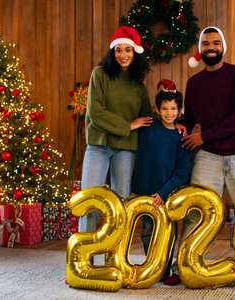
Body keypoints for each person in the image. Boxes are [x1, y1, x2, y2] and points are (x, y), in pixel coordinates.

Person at [164, 26, 235, 286]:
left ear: (223, 46)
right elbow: (189, 119)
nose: (211, 47)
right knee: (196, 212)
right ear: (200, 50)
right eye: (206, 44)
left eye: (216, 43)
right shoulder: (194, 83)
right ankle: (182, 267)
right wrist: (179, 126)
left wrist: (203, 136)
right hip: (208, 157)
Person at [79, 26, 153, 234]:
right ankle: (85, 258)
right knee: (90, 201)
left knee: (120, 205)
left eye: (128, 50)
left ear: (134, 53)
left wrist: (174, 121)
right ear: (112, 52)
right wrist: (128, 125)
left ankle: (115, 258)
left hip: (126, 149)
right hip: (98, 146)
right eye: (118, 50)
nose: (123, 55)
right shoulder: (99, 74)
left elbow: (148, 117)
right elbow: (95, 112)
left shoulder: (138, 85)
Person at [131, 79, 190, 280]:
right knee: (147, 230)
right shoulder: (148, 127)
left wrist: (164, 192)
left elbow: (181, 173)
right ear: (158, 109)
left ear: (180, 110)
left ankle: (164, 269)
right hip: (145, 192)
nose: (169, 113)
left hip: (166, 194)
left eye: (173, 108)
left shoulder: (181, 137)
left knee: (167, 233)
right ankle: (151, 266)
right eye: (164, 108)